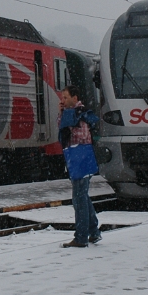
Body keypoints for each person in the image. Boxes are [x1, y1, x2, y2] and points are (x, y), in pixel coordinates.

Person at [58, 85, 101, 248]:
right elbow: (60, 127)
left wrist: (67, 117)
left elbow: (80, 137)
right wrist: (63, 113)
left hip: (80, 157)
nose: (63, 100)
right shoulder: (71, 113)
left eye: (66, 98)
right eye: (62, 98)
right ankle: (94, 232)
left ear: (75, 98)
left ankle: (81, 237)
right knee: (82, 197)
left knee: (79, 198)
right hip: (78, 158)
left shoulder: (79, 112)